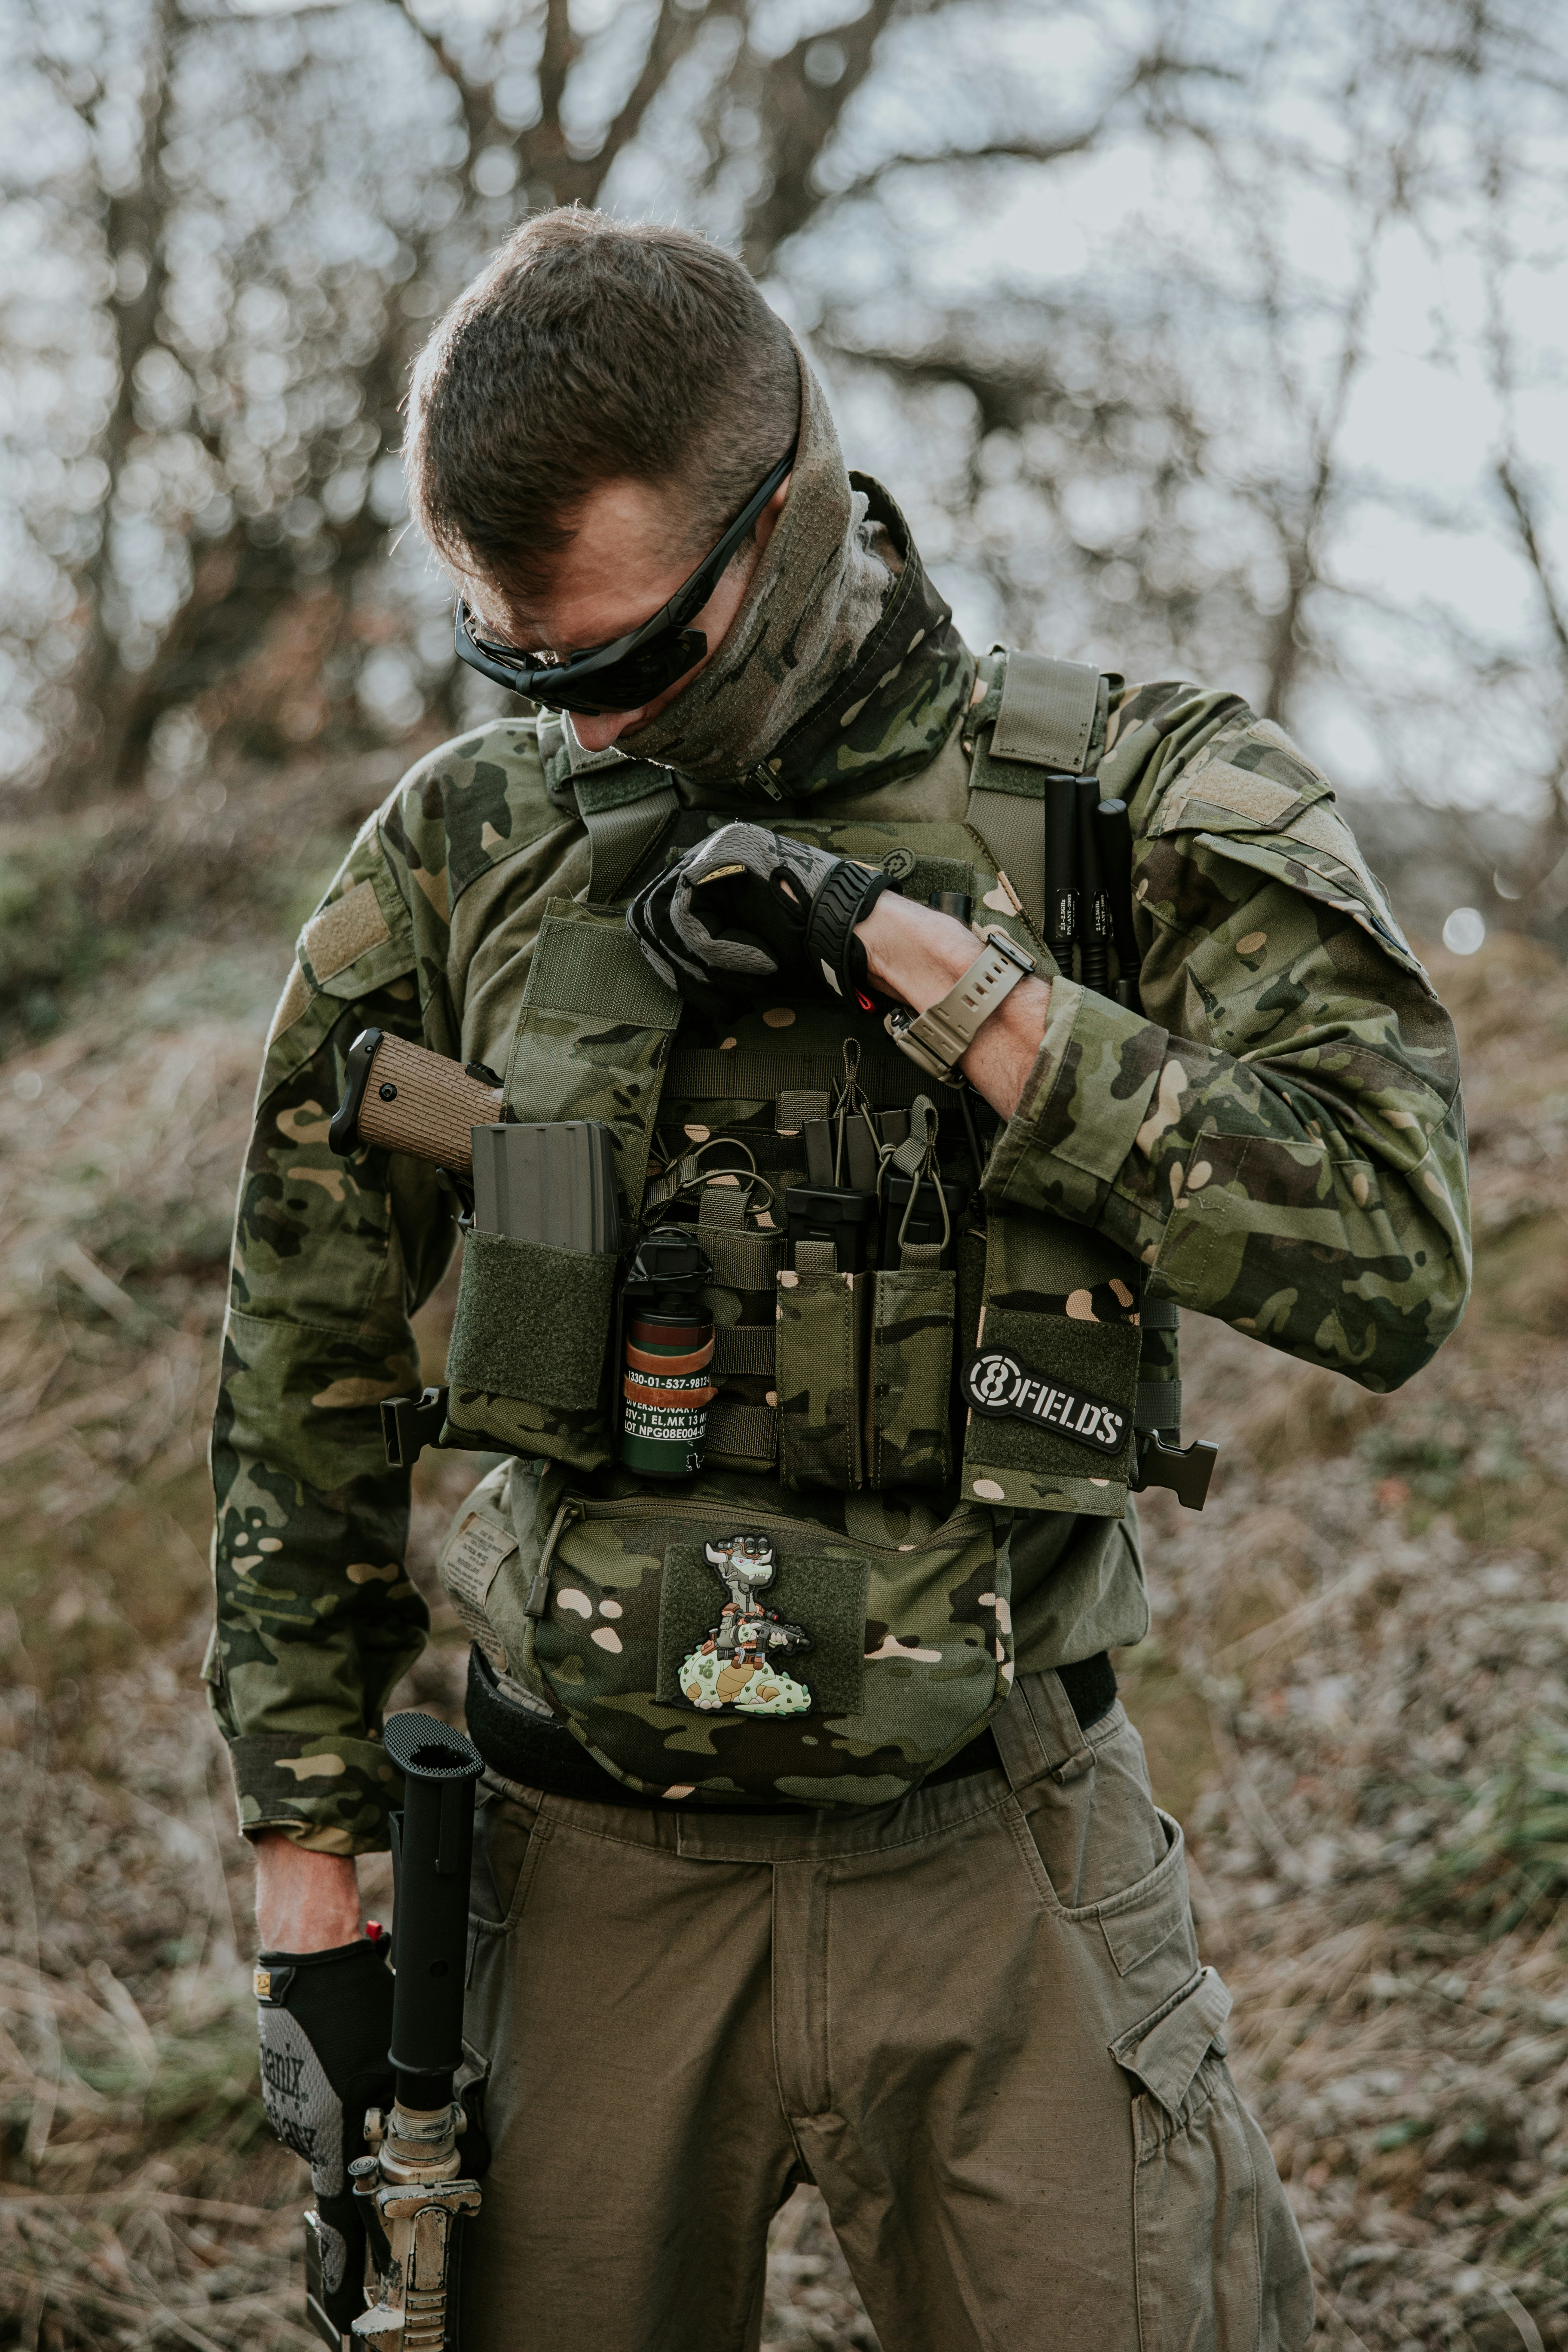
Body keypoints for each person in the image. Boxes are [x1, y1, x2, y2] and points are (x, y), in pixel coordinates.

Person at [214, 209, 1470, 2351]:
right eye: (521, 668)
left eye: (631, 662)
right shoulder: (462, 847)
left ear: (790, 522)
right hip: (573, 1867)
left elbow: (1392, 1250)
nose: (582, 729)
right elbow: (302, 1361)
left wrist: (957, 988)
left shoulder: (1128, 797)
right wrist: (310, 1873)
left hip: (997, 1850)